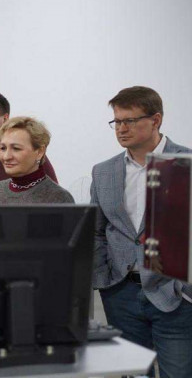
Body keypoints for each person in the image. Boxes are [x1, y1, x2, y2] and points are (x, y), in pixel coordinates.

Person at [91, 86, 192, 377]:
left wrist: (186, 289)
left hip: (175, 296)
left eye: (130, 121)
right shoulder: (104, 171)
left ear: (155, 120)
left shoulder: (185, 163)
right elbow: (97, 231)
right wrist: (104, 279)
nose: (121, 129)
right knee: (132, 373)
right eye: (117, 121)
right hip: (120, 294)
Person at [0, 117, 73, 204]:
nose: (6, 157)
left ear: (40, 151)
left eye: (16, 148)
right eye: (3, 148)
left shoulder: (58, 198)